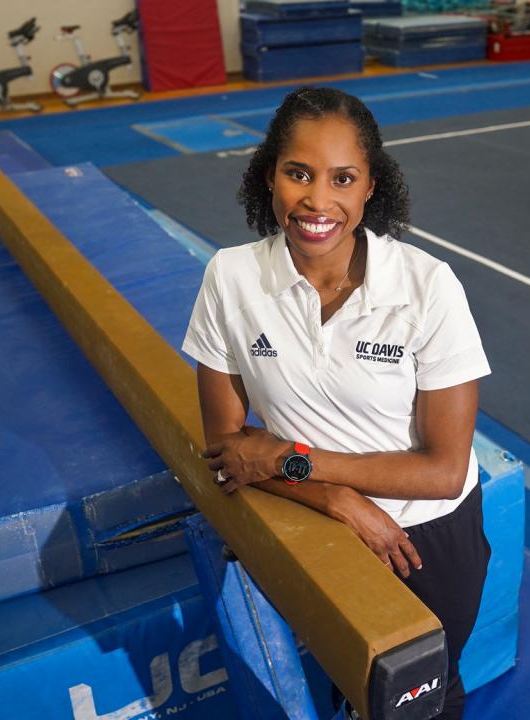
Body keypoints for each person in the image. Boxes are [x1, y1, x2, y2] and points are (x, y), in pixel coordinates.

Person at [181, 86, 491, 719]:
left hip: (427, 534)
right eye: (299, 174)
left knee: (422, 696)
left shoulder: (426, 288)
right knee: (345, 686)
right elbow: (229, 451)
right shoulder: (232, 277)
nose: (318, 201)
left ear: (370, 187)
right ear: (269, 174)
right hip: (317, 523)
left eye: (342, 178)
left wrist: (291, 459)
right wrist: (336, 499)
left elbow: (442, 471)